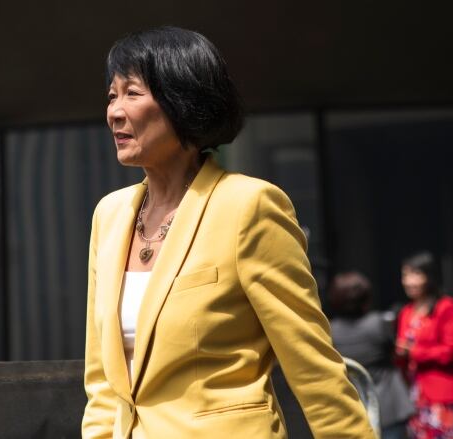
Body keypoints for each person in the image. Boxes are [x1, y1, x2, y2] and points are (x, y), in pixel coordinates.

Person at [82, 26, 374, 439]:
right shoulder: (109, 216)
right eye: (112, 95)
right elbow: (102, 378)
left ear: (183, 101)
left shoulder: (248, 206)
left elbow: (312, 364)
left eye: (132, 93)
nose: (114, 110)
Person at [329, 271, 414, 439]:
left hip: (353, 406)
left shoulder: (330, 330)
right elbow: (394, 351)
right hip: (389, 406)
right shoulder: (378, 323)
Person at [395, 251, 453, 439]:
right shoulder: (406, 312)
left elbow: (452, 351)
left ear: (429, 277)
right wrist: (399, 353)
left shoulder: (446, 306)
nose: (409, 281)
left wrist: (414, 351)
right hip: (413, 395)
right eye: (405, 275)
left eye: (415, 274)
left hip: (439, 392)